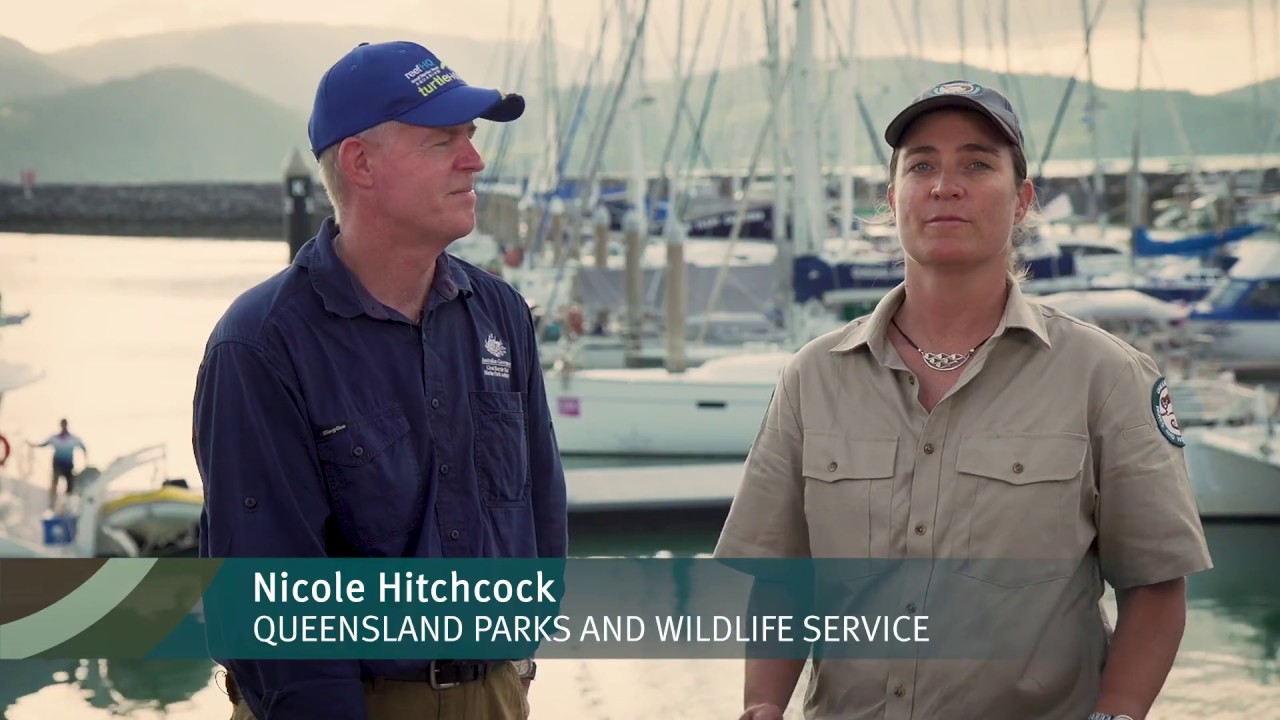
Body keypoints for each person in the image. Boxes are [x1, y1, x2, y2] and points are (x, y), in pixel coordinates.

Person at [714, 80, 1213, 720]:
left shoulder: (1105, 376)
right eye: (922, 165)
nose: (945, 185)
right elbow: (783, 578)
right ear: (894, 199)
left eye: (977, 164)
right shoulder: (813, 377)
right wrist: (761, 706)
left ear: (1023, 201)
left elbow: (1156, 585)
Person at [192, 39, 567, 720]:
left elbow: (541, 510)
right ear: (361, 162)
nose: (475, 158)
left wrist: (514, 666)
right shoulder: (260, 344)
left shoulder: (500, 315)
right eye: (444, 139)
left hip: (497, 696)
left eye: (472, 136)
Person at [28, 418, 87, 510]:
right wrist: (32, 445)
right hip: (57, 467)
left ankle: (67, 506)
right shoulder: (55, 438)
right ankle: (52, 505)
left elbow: (83, 447)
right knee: (54, 485)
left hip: (68, 467)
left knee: (70, 488)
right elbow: (43, 444)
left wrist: (86, 460)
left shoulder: (72, 439)